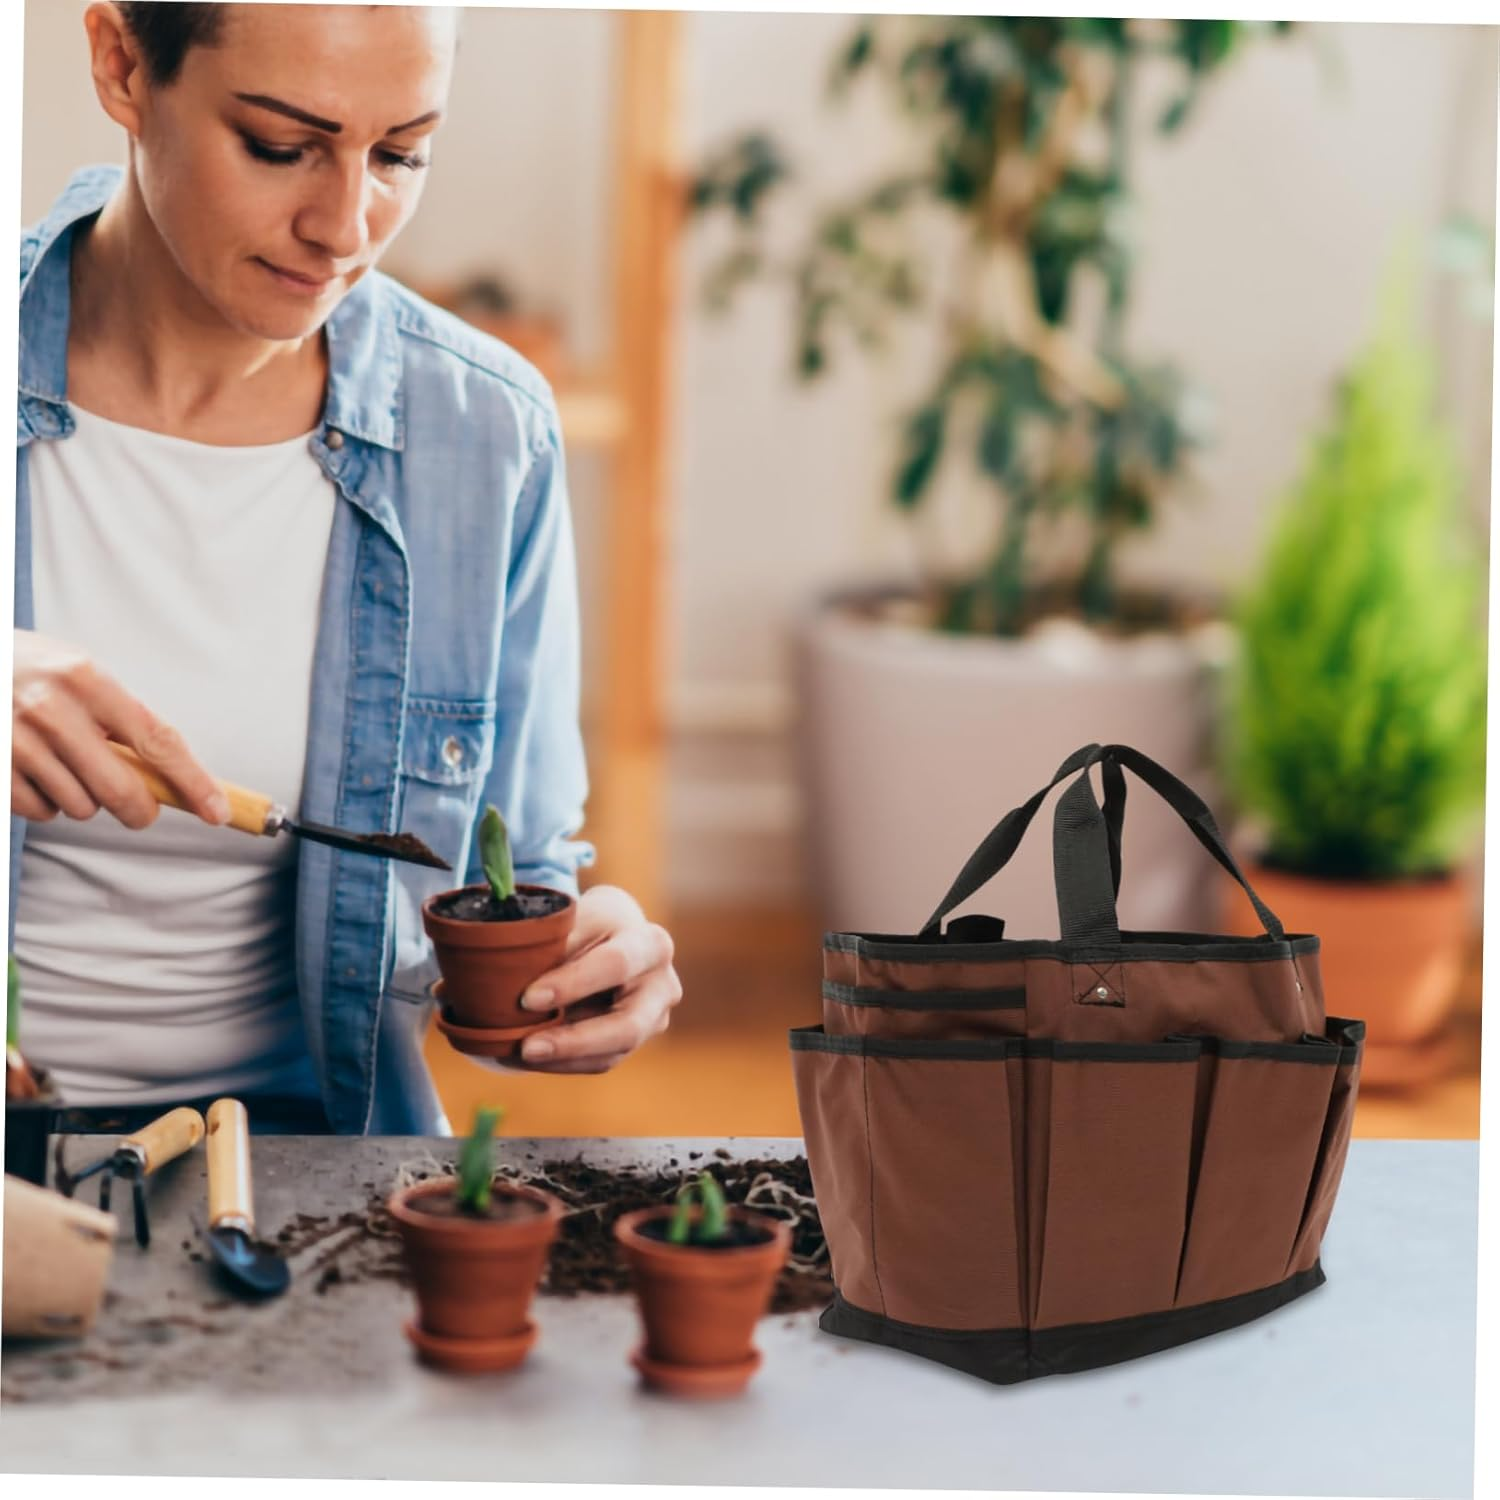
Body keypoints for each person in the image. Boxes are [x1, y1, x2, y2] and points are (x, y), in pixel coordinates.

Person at [11, 2, 682, 1133]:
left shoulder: (484, 433)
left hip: (311, 1158)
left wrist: (586, 962)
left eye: (402, 153)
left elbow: (515, 869)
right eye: (280, 147)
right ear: (122, 64)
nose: (345, 225)